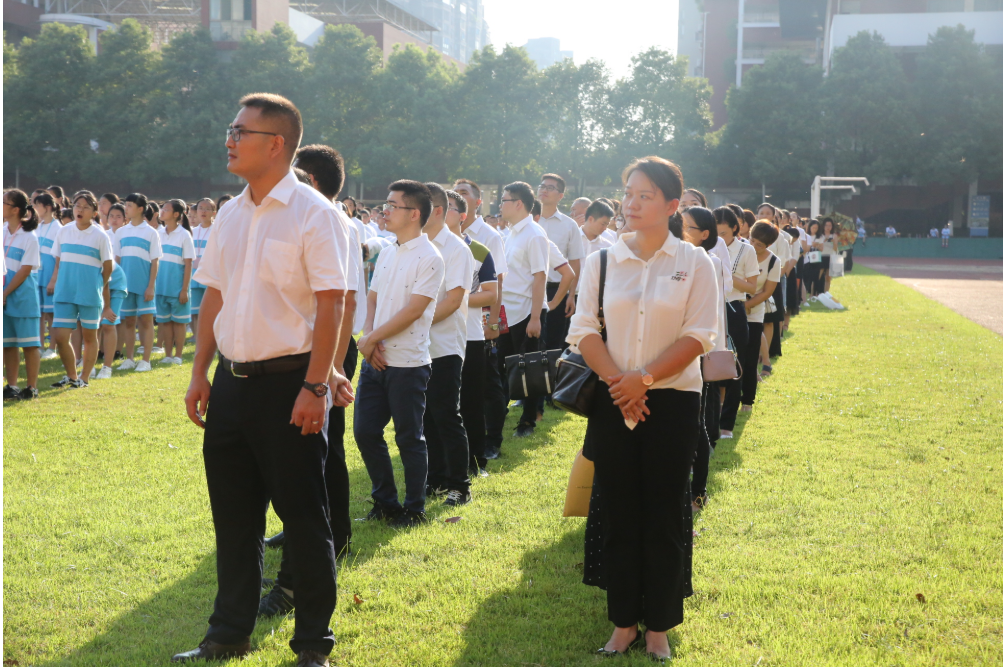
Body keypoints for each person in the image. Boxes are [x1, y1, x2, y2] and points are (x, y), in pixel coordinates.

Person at [178, 93, 350, 668]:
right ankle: (227, 634)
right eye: (231, 128)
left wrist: (316, 386)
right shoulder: (230, 212)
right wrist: (201, 372)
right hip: (231, 384)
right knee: (233, 519)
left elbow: (332, 306)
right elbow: (215, 295)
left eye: (240, 130)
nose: (229, 138)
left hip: (289, 386)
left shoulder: (315, 213)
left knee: (303, 519)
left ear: (275, 143)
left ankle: (312, 647)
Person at [567, 157, 718, 660]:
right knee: (618, 511)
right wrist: (620, 382)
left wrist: (644, 380)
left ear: (673, 205)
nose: (630, 203)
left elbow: (700, 335)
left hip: (672, 404)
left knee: (663, 514)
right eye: (628, 192)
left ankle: (659, 627)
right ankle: (623, 623)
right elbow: (584, 330)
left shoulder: (695, 263)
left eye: (645, 195)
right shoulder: (602, 261)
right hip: (615, 401)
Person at [258, 143, 365, 618]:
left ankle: (318, 556)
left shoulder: (330, 221)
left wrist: (332, 369)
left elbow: (343, 303)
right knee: (312, 463)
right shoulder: (284, 217)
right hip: (300, 363)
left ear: (311, 181)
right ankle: (327, 539)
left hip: (320, 364)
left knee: (320, 462)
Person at [354, 180, 444, 529]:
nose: (385, 211)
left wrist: (370, 339)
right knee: (365, 432)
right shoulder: (389, 250)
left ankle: (414, 507)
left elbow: (414, 311)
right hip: (376, 358)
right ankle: (385, 501)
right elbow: (373, 297)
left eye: (393, 205)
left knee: (409, 437)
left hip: (407, 363)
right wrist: (371, 340)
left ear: (414, 214)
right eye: (385, 204)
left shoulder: (430, 257)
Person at [421, 183, 475, 506]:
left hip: (444, 346)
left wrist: (414, 322)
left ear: (437, 211)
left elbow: (454, 301)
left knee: (446, 415)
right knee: (425, 418)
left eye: (420, 205)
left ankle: (460, 485)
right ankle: (436, 479)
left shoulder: (457, 250)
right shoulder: (413, 245)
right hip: (416, 347)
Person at [453, 179, 509, 459]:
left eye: (463, 194)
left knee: (488, 382)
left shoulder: (488, 236)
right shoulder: (445, 236)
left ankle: (492, 441)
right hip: (454, 324)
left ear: (476, 202)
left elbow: (496, 283)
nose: (457, 197)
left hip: (481, 320)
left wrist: (493, 322)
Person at [445, 189, 498, 477]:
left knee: (470, 402)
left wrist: (452, 299)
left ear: (463, 216)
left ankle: (475, 462)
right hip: (433, 338)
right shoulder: (426, 248)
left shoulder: (478, 250)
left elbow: (491, 294)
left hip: (469, 336)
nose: (439, 211)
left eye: (448, 207)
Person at [497, 181, 550, 438]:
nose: (500, 204)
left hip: (528, 311)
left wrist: (536, 317)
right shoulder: (512, 232)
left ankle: (528, 420)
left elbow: (540, 277)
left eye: (504, 200)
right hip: (508, 309)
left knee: (530, 368)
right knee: (504, 364)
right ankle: (498, 412)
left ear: (518, 204)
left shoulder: (535, 233)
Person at [679, 206, 723, 512]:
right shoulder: (677, 259)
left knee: (695, 426)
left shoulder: (707, 263)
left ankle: (698, 492)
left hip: (696, 352)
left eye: (687, 227)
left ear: (704, 234)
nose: (681, 231)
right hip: (675, 352)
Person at [48, 191, 114, 389]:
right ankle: (71, 375)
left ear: (94, 212)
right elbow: (58, 262)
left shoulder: (100, 236)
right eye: (78, 206)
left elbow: (108, 267)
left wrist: (96, 286)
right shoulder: (64, 231)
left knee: (89, 337)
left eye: (86, 207)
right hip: (65, 292)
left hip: (89, 294)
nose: (80, 210)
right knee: (60, 336)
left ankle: (84, 378)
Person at [715, 207, 757, 440]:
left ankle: (727, 424)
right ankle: (712, 416)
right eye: (714, 231)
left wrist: (727, 277)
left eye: (722, 232)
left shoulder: (745, 250)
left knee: (735, 365)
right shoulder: (702, 248)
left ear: (735, 228)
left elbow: (752, 286)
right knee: (709, 363)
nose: (718, 237)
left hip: (734, 309)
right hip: (710, 309)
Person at [536, 173, 584, 354]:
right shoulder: (527, 221)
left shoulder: (569, 225)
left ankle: (552, 381)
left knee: (553, 343)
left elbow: (574, 262)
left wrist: (571, 295)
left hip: (557, 289)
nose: (544, 190)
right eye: (542, 186)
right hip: (529, 287)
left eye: (551, 188)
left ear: (561, 195)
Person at [115, 193, 162, 372]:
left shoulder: (151, 232)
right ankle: (129, 359)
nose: (125, 208)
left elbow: (155, 261)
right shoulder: (120, 232)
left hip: (144, 286)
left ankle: (146, 360)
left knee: (146, 321)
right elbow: (117, 260)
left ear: (140, 209)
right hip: (125, 286)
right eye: (125, 205)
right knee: (128, 322)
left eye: (129, 205)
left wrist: (151, 286)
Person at [3, 189, 43, 400]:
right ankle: (11, 386)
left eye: (4, 203)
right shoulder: (2, 231)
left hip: (22, 297)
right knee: (8, 344)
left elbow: (25, 270)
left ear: (16, 209)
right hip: (4, 297)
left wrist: (5, 292)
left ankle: (31, 387)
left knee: (29, 344)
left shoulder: (29, 237)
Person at [741, 222, 781, 412]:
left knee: (750, 357)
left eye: (760, 245)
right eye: (752, 241)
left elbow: (767, 291)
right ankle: (726, 397)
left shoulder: (774, 262)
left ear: (769, 246)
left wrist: (748, 305)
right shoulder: (740, 250)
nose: (754, 247)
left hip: (754, 310)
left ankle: (747, 401)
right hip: (734, 305)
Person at [155, 199, 194, 365]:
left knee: (179, 323)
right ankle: (168, 355)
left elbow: (188, 264)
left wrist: (184, 289)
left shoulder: (184, 235)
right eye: (162, 209)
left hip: (178, 288)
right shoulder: (158, 233)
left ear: (176, 214)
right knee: (164, 323)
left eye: (166, 209)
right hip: (160, 287)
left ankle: (178, 356)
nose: (161, 211)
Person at [32, 192, 62, 361]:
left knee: (51, 314)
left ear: (48, 207)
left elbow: (60, 257)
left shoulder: (58, 228)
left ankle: (52, 347)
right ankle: (39, 346)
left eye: (37, 206)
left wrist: (54, 279)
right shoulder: (37, 226)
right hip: (37, 275)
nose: (35, 209)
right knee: (39, 314)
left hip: (51, 275)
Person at [93, 256, 128, 379]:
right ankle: (90, 366)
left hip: (116, 284)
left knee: (108, 323)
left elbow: (105, 282)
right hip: (98, 287)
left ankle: (107, 368)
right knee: (93, 326)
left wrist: (107, 307)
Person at [190, 198, 215, 343]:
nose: (203, 211)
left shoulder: (216, 230)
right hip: (193, 274)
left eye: (207, 208)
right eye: (201, 208)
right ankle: (196, 336)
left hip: (209, 273)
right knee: (194, 309)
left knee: (208, 309)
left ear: (214, 212)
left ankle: (210, 336)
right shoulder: (192, 232)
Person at [821, 217, 840, 294]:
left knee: (828, 277)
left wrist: (834, 242)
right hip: (821, 256)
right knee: (818, 276)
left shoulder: (834, 236)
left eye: (830, 225)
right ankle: (817, 292)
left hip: (831, 257)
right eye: (826, 225)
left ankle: (826, 293)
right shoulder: (820, 235)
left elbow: (835, 249)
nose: (828, 227)